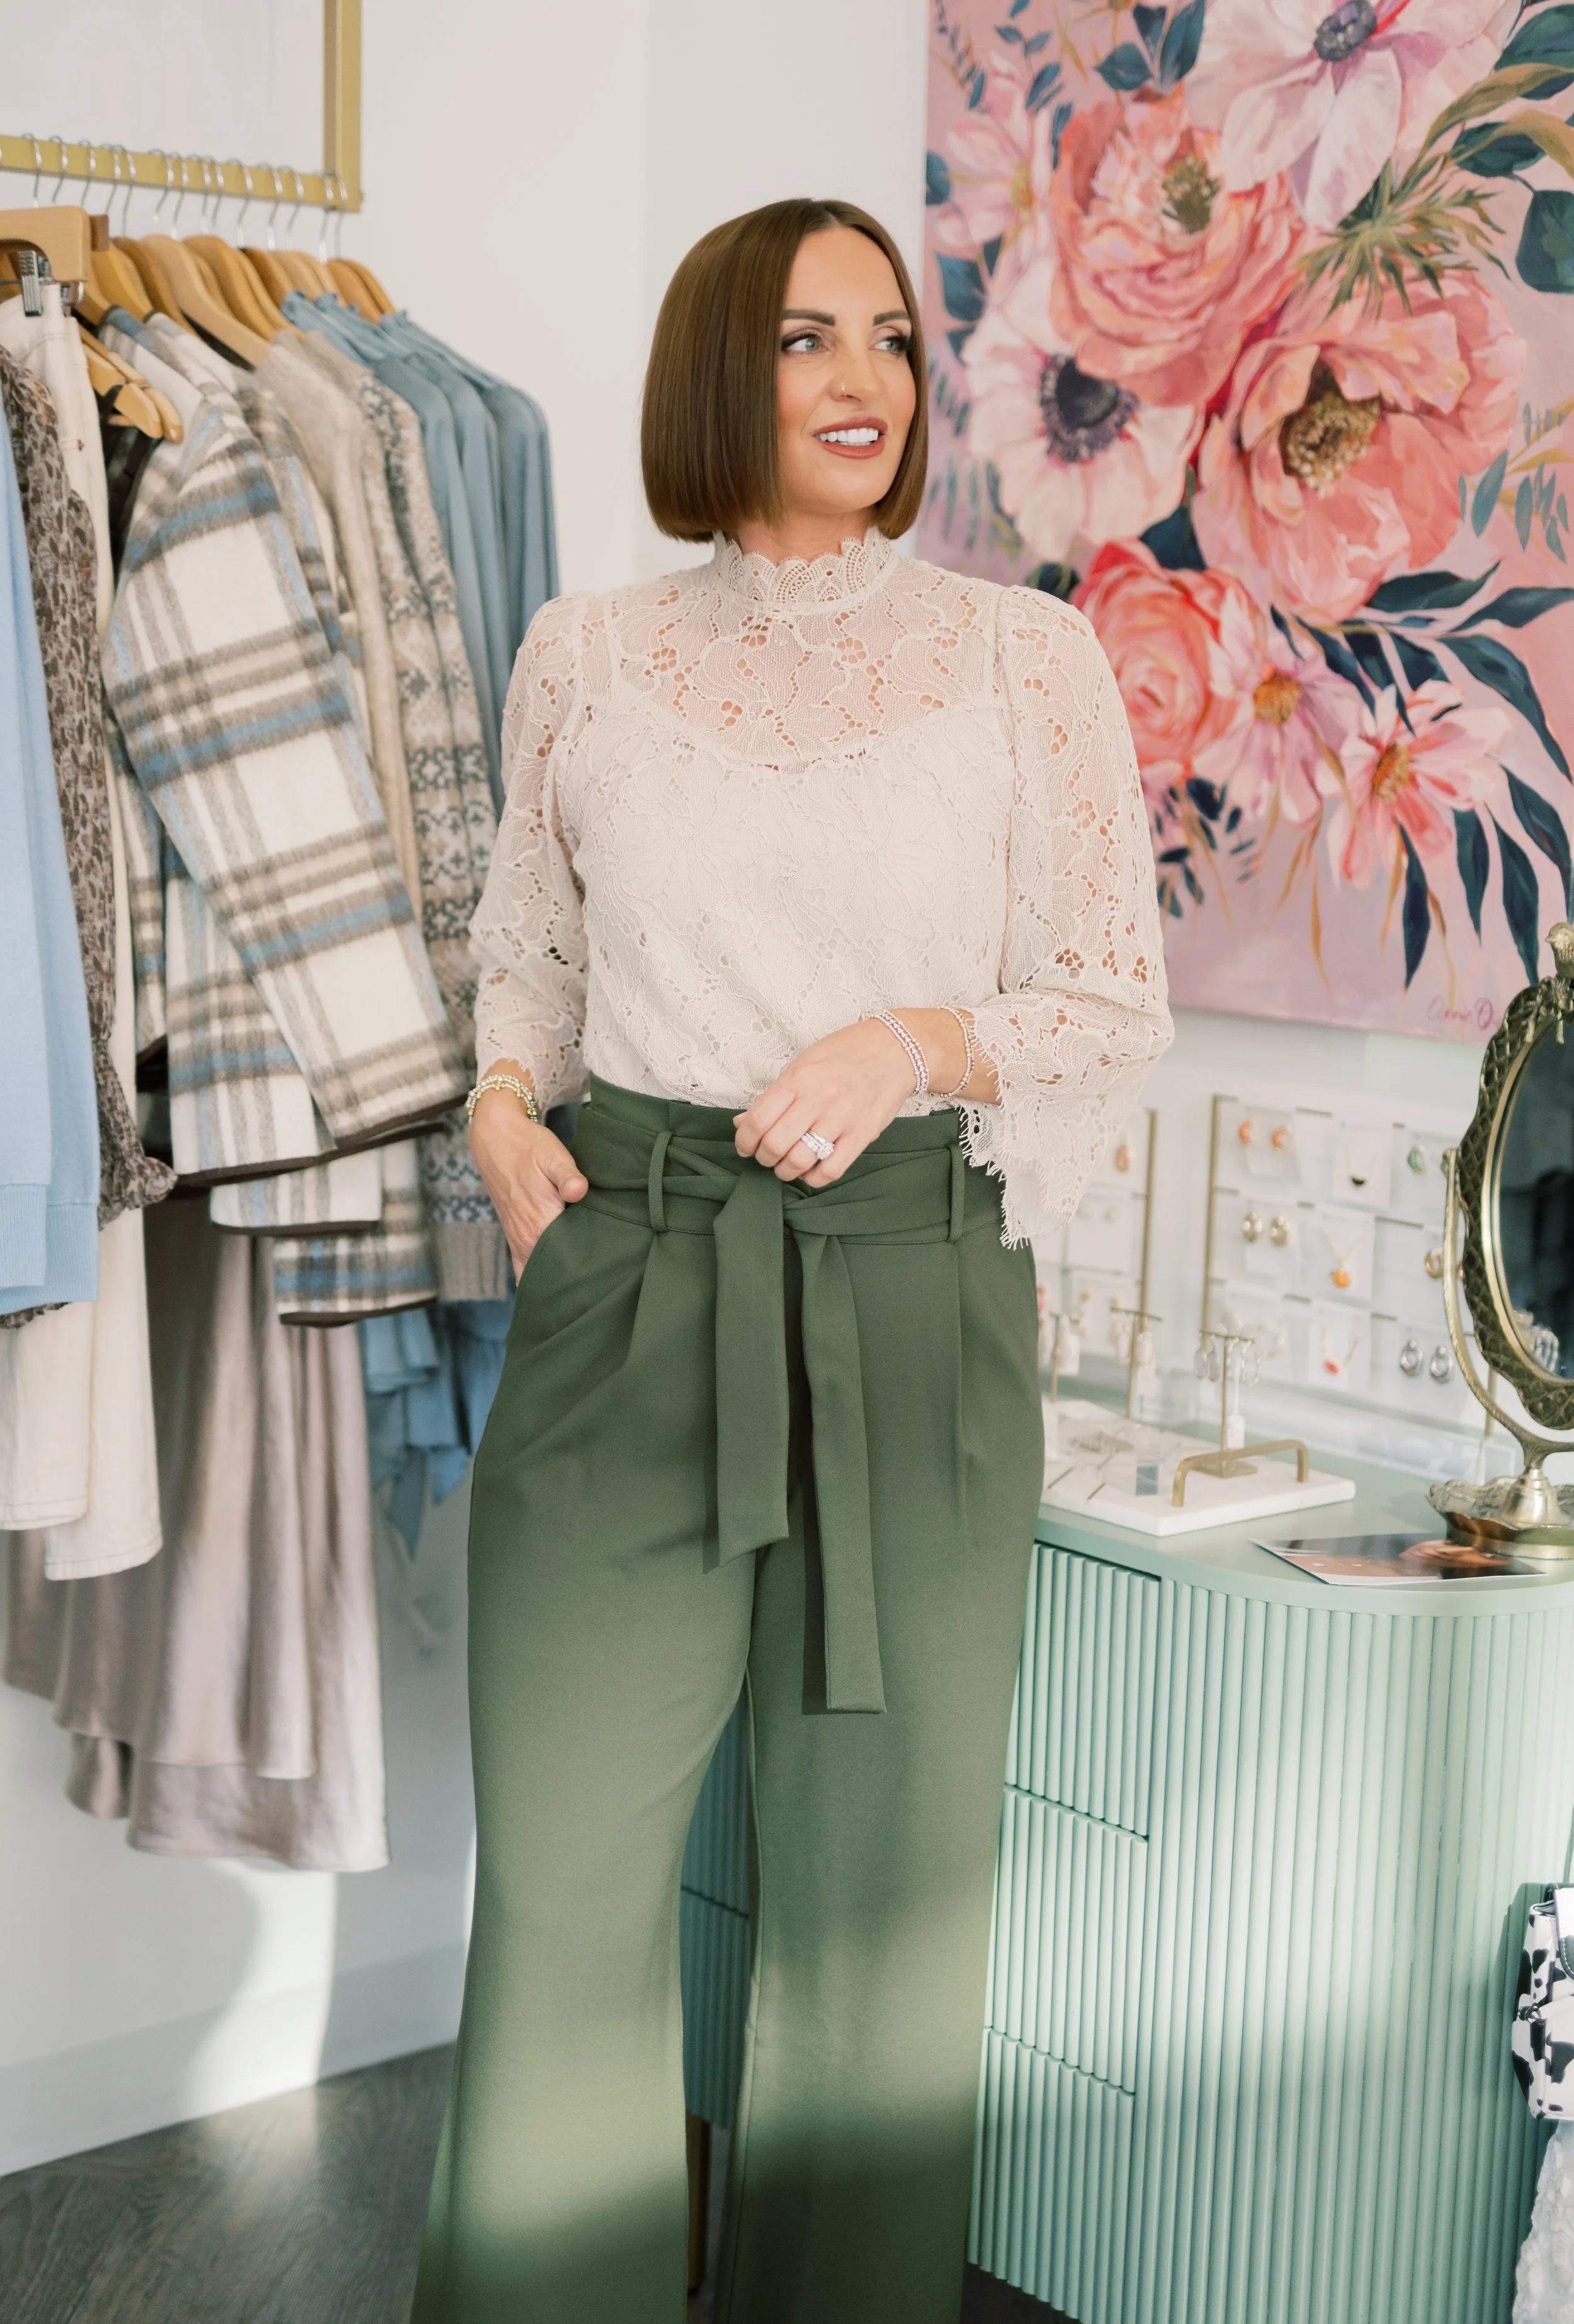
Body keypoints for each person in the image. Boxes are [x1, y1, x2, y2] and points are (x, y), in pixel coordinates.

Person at [410, 196, 1171, 2324]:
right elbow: (527, 971)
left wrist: (913, 1041)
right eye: (801, 337)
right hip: (629, 1277)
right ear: (712, 375)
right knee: (563, 1902)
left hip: (912, 1292)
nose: (859, 380)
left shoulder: (1023, 657)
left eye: (888, 342)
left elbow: (1112, 996)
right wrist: (493, 1107)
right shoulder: (587, 651)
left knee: (882, 1923)